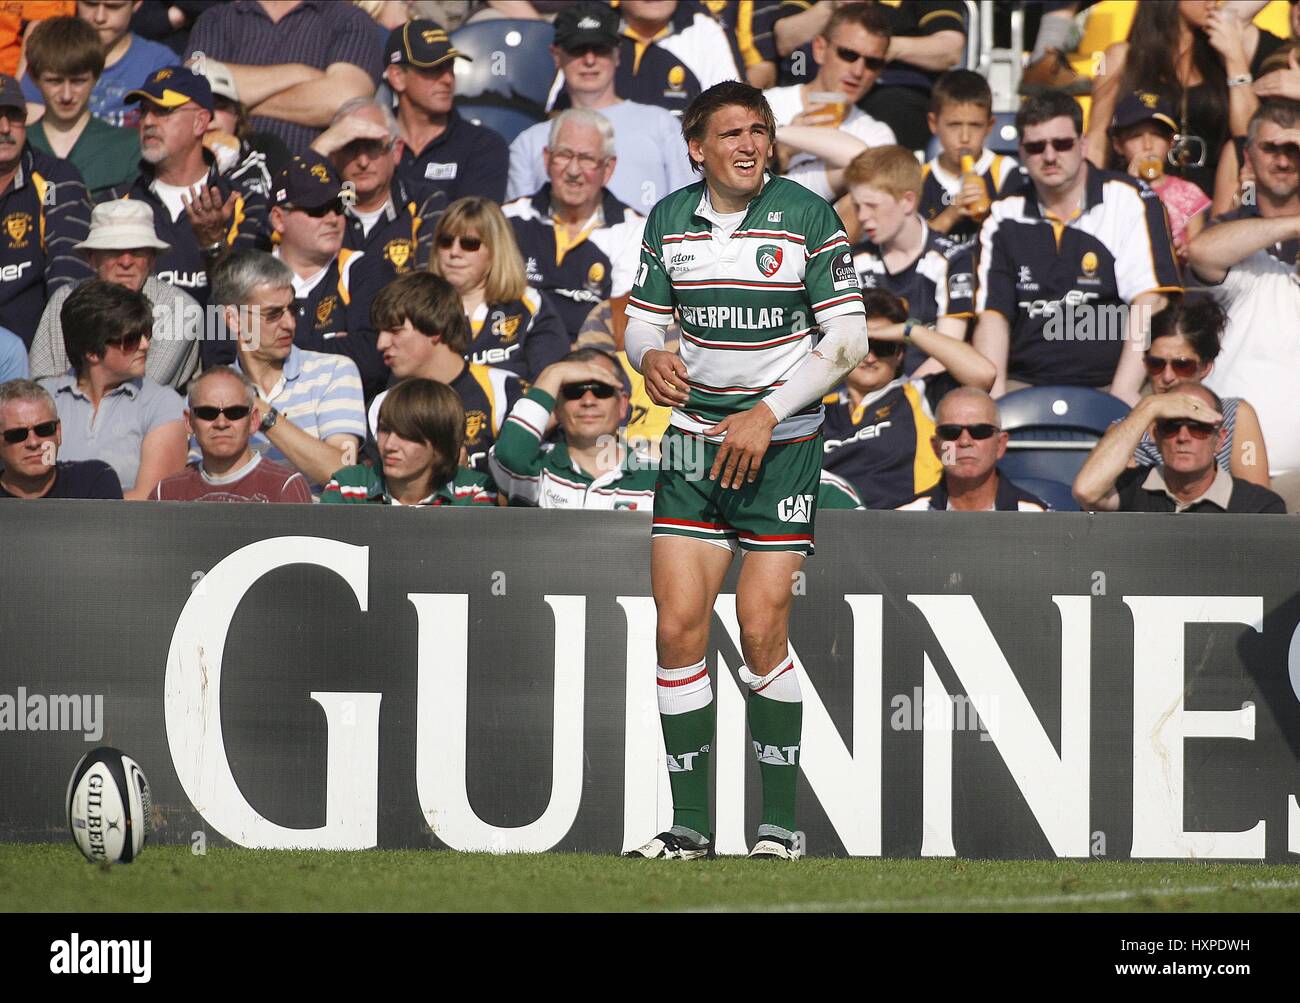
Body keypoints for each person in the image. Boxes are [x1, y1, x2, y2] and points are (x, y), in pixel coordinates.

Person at [623, 81, 871, 862]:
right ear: (696, 147)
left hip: (783, 443)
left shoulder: (805, 213)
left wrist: (766, 413)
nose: (749, 144)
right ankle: (690, 826)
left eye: (759, 130)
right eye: (731, 132)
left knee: (761, 627)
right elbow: (638, 321)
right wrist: (648, 353)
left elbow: (850, 339)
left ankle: (780, 828)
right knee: (675, 629)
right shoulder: (669, 218)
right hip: (696, 443)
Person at [972, 90, 1181, 404]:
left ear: (1083, 144)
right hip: (1023, 383)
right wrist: (995, 399)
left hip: (1116, 380)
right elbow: (993, 317)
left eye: (1062, 143)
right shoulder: (1003, 214)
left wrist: (1121, 393)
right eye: (1036, 147)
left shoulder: (1128, 199)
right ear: (1021, 152)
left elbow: (1148, 303)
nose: (1050, 155)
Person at [1187, 98, 1300, 509]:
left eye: (1294, 149)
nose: (1284, 161)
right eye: (1272, 148)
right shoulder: (1227, 233)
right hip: (1231, 475)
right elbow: (1201, 253)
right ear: (1248, 156)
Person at [1085, 0, 1287, 213]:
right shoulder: (1122, 57)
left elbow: (1247, 138)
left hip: (1214, 203)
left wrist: (1235, 60)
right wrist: (1091, 205)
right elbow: (1097, 140)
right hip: (1142, 198)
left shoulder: (1221, 48)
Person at [107, 64, 269, 312]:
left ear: (200, 121)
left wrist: (214, 246)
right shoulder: (115, 203)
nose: (148, 121)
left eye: (164, 110)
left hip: (214, 345)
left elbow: (248, 307)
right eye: (144, 111)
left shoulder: (244, 202)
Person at [507, 1, 695, 214]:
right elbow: (520, 226)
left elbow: (687, 211)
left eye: (600, 49)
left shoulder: (662, 125)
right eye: (577, 49)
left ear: (616, 54)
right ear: (556, 55)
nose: (589, 60)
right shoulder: (529, 142)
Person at [822, 289, 995, 510]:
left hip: (909, 526)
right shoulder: (819, 407)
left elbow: (984, 376)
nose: (870, 357)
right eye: (862, 345)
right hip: (832, 526)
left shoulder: (923, 393)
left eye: (883, 346)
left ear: (900, 353)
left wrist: (909, 331)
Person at [210, 248, 366, 492]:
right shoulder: (212, 392)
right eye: (272, 315)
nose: (290, 324)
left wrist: (265, 415)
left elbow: (344, 474)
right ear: (233, 319)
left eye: (291, 310)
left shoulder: (334, 372)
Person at [504, 109, 647, 340]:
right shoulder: (507, 220)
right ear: (547, 159)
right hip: (514, 353)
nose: (573, 170)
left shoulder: (635, 231)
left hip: (592, 358)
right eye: (564, 155)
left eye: (586, 159)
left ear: (608, 168)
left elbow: (622, 324)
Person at [38, 279, 187, 499]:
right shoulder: (42, 399)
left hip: (126, 531)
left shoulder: (163, 404)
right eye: (131, 339)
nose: (145, 345)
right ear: (91, 351)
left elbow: (152, 500)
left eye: (147, 333)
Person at [29, 199, 201, 390]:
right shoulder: (64, 298)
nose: (126, 262)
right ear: (91, 259)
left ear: (152, 259)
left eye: (137, 251)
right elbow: (41, 384)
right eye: (114, 251)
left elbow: (143, 389)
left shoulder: (179, 308)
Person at [184, 0, 383, 157]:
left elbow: (344, 101)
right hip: (221, 184)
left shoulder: (350, 20)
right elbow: (194, 81)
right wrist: (298, 73)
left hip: (308, 188)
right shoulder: (217, 19)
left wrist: (232, 101)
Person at [263, 151, 388, 401]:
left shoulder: (367, 270)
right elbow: (221, 359)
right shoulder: (245, 277)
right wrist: (332, 346)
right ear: (279, 218)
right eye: (317, 209)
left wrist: (267, 347)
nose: (333, 219)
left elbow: (372, 361)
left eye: (338, 206)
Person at [370, 269, 522, 472]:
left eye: (395, 330)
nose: (381, 343)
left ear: (435, 328)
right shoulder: (380, 405)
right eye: (380, 332)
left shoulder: (505, 391)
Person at [843, 145, 973, 375]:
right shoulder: (856, 260)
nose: (862, 216)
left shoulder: (952, 260)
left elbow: (946, 355)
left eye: (872, 205)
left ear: (908, 202)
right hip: (867, 388)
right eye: (857, 206)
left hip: (926, 395)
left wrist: (900, 399)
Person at [1073, 381, 1285, 514]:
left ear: (1219, 440)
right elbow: (1086, 491)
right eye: (1171, 426)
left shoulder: (1258, 507)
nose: (1183, 437)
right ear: (1156, 436)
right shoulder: (1132, 487)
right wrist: (1150, 406)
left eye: (1198, 427)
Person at [490, 348, 658, 509]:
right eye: (574, 390)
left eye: (601, 390)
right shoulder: (534, 467)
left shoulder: (658, 477)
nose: (588, 401)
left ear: (622, 404)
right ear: (557, 407)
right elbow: (509, 454)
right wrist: (554, 373)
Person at [1132, 296, 1270, 489]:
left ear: (1205, 367)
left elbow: (1258, 504)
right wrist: (1149, 409)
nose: (1167, 376)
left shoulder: (1236, 416)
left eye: (1182, 365)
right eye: (1157, 364)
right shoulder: (1128, 429)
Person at [763, 2, 896, 203]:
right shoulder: (767, 105)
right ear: (820, 49)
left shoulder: (877, 134)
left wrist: (783, 135)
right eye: (848, 55)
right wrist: (778, 152)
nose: (858, 71)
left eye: (872, 63)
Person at [429, 196, 569, 384]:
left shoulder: (530, 305)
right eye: (445, 241)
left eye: (469, 243)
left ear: (496, 250)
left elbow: (551, 382)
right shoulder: (420, 307)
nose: (454, 252)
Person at [0, 73, 93, 350]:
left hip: (35, 354)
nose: (4, 127)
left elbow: (68, 269)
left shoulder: (53, 180)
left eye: (14, 115)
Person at [311, 96, 443, 279]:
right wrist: (319, 147)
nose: (363, 162)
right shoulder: (315, 208)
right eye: (350, 147)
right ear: (333, 154)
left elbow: (428, 288)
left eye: (373, 147)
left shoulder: (425, 202)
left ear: (396, 151)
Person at [386, 19, 509, 205]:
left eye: (450, 66)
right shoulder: (370, 143)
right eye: (433, 69)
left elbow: (473, 227)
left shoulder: (483, 146)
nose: (448, 79)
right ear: (397, 77)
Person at [323, 376, 497, 506]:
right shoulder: (348, 487)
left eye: (406, 435)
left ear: (440, 444)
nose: (389, 445)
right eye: (384, 430)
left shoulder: (474, 492)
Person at [153, 364, 311, 501]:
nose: (221, 423)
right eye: (208, 413)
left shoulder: (284, 487)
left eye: (235, 412)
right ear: (189, 422)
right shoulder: (166, 492)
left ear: (254, 421)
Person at [22, 16, 138, 199]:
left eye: (78, 81)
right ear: (33, 77)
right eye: (54, 81)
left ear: (97, 75)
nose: (66, 95)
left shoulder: (127, 148)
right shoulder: (17, 148)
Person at [20, 0, 178, 128]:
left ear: (136, 4)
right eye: (90, 4)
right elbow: (32, 124)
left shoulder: (159, 63)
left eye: (113, 7)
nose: (99, 17)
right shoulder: (51, 53)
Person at [896, 388, 1049, 512]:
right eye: (951, 432)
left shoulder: (1035, 517)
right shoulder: (905, 519)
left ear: (1000, 445)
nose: (964, 442)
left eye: (980, 431)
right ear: (936, 448)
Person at [920, 69, 1027, 245]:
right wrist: (951, 215)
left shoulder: (1003, 171)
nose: (964, 137)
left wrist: (988, 212)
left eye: (975, 125)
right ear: (933, 124)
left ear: (989, 126)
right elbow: (913, 248)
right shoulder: (920, 178)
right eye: (954, 125)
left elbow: (1016, 239)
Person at [1108, 89, 1212, 264]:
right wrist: (1132, 186)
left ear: (1171, 141)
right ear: (1118, 145)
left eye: (1157, 135)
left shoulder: (1189, 193)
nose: (1147, 146)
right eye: (1135, 136)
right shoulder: (1111, 192)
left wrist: (1185, 252)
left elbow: (1199, 254)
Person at [0, 377, 122, 498]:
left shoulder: (95, 481)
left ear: (58, 432)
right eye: (17, 434)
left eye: (44, 429)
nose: (33, 442)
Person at [194, 54, 293, 195]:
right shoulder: (164, 160)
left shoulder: (266, 148)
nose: (210, 116)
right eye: (198, 106)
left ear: (237, 114)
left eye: (220, 105)